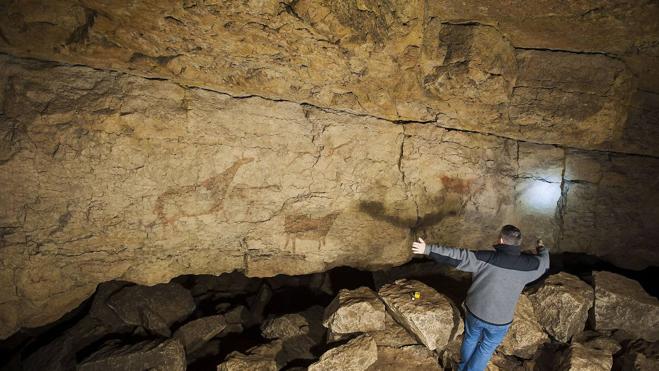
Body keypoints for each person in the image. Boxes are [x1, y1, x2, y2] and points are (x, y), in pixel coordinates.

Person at [411, 225, 549, 371]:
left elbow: (457, 256)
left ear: (501, 240)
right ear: (518, 243)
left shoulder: (486, 258)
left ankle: (463, 367)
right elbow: (545, 263)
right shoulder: (530, 265)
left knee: (470, 338)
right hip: (500, 320)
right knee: (486, 348)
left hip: (475, 312)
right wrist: (542, 249)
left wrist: (428, 249)